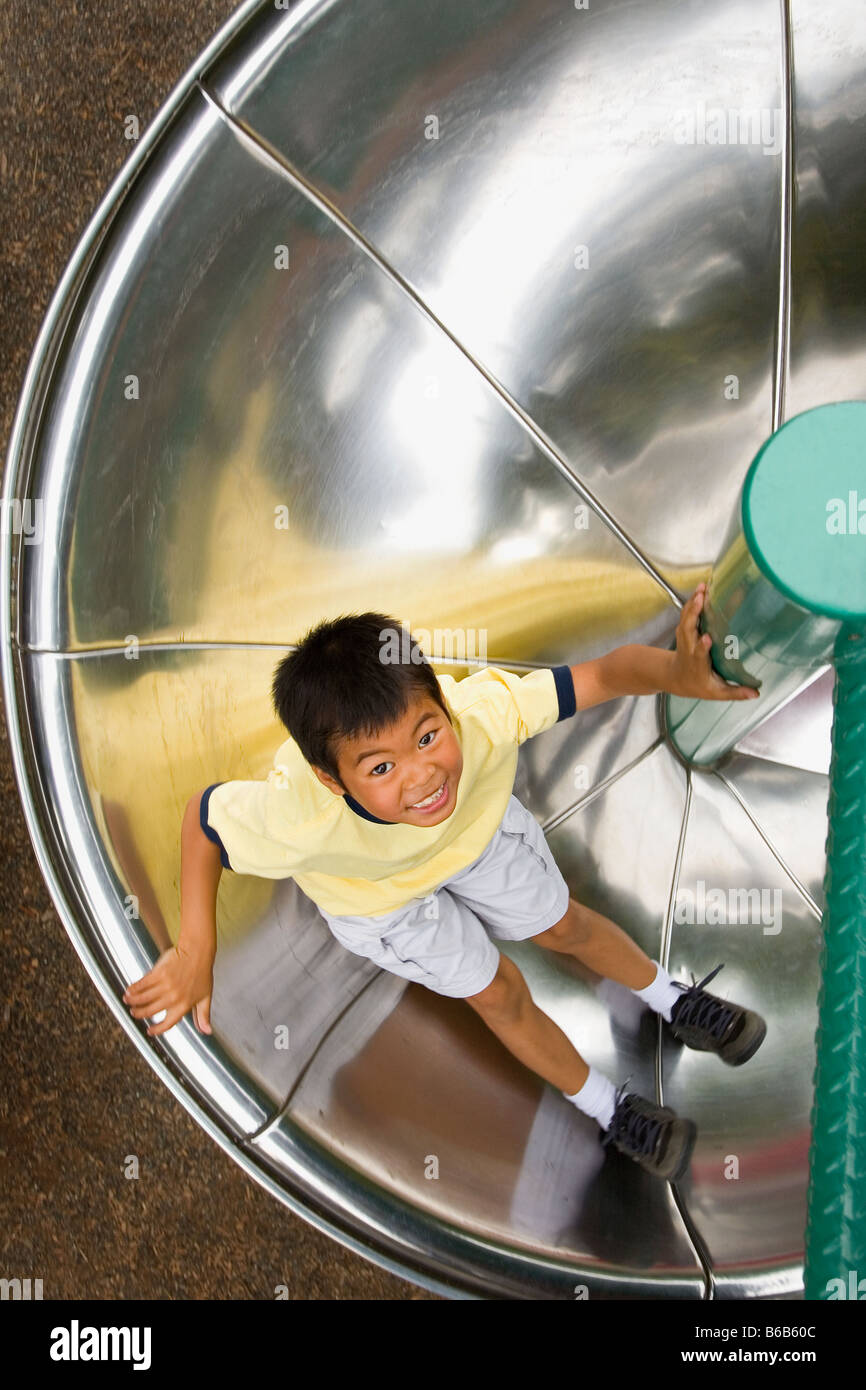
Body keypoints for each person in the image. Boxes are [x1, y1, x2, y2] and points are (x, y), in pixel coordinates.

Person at [123, 582, 766, 1181]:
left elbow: (601, 674)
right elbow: (203, 821)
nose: (423, 775)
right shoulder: (301, 814)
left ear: (442, 709)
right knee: (497, 992)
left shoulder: (479, 715)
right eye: (380, 767)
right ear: (333, 779)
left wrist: (678, 675)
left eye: (428, 735)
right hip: (383, 902)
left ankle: (670, 999)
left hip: (476, 841)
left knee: (563, 925)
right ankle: (609, 1109)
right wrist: (195, 948)